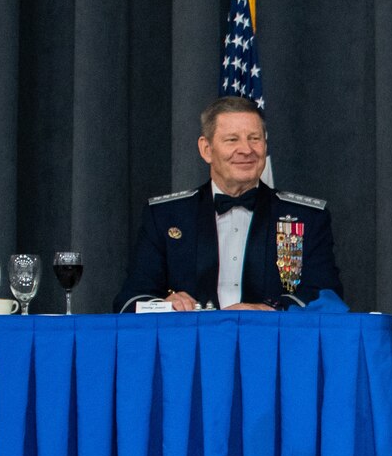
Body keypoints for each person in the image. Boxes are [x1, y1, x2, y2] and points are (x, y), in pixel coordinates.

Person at [112, 97, 342, 312]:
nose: (246, 150)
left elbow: (327, 296)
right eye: (232, 139)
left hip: (273, 348)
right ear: (206, 149)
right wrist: (164, 305)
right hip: (192, 350)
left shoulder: (307, 217)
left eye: (255, 138)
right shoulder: (165, 216)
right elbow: (131, 300)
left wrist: (269, 310)